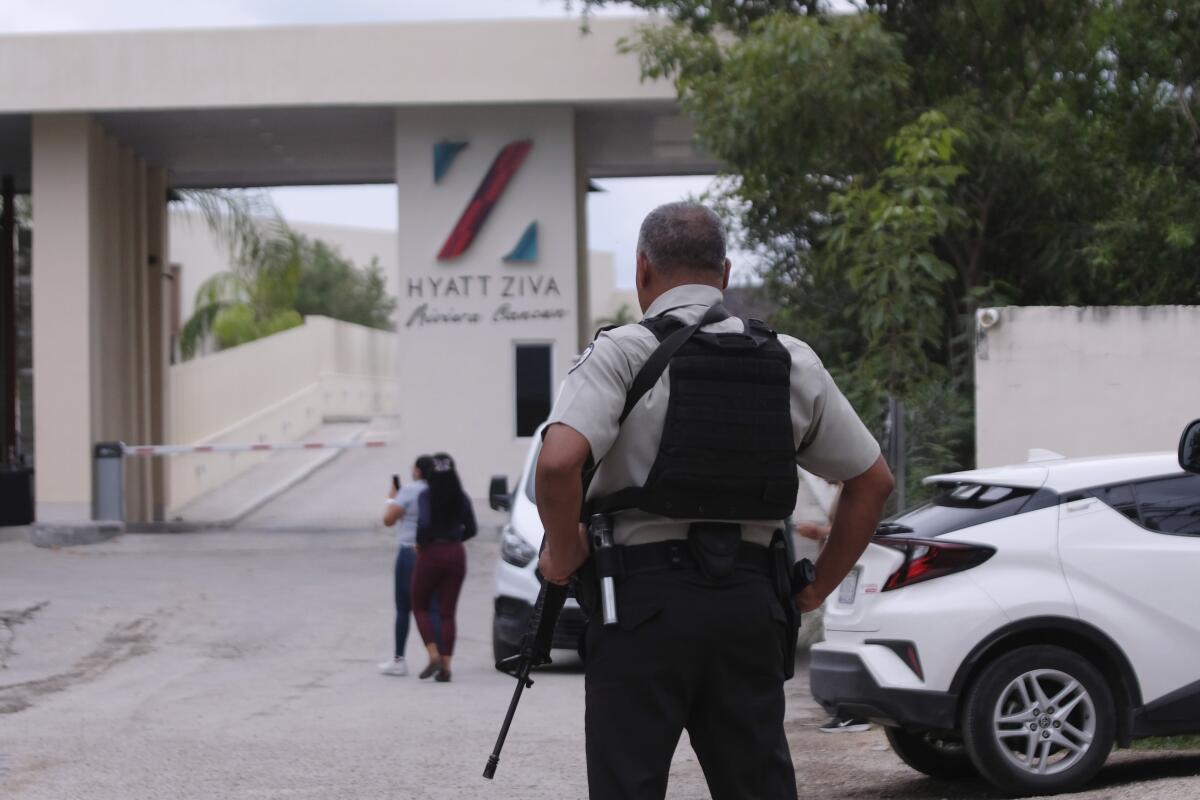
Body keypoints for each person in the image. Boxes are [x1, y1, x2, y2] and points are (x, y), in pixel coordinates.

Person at [535, 202, 895, 799]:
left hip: (639, 607)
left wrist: (565, 553)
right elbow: (871, 481)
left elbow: (556, 462)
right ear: (724, 272)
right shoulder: (789, 359)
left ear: (642, 270)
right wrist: (816, 588)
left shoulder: (621, 354)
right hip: (751, 609)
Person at [795, 489, 872, 734]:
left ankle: (854, 712)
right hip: (840, 578)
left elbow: (863, 525)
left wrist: (818, 532)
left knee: (845, 640)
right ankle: (846, 710)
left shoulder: (859, 482)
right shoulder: (844, 485)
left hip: (847, 577)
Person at [411, 452, 476, 683]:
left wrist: (420, 542)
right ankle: (447, 665)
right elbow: (472, 528)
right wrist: (456, 538)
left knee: (419, 605)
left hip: (431, 551)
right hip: (456, 552)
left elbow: (425, 522)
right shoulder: (462, 497)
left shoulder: (427, 496)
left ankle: (433, 654)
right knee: (448, 612)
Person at [379, 455, 440, 676]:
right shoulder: (438, 490)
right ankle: (440, 654)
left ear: (418, 471)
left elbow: (388, 519)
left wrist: (391, 499)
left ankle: (398, 659)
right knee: (432, 606)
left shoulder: (409, 491)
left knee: (404, 607)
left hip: (409, 550)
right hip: (433, 551)